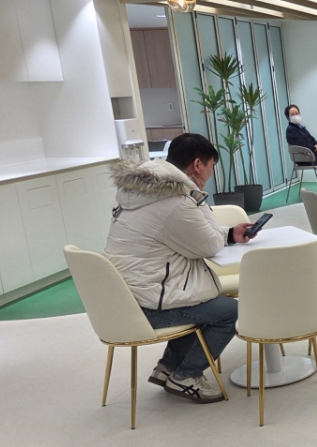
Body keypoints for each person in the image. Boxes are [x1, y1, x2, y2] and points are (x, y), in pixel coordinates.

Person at [104, 133, 253, 404]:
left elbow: (189, 236)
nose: (210, 174)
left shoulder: (142, 191)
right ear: (197, 165)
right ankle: (186, 376)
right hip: (148, 304)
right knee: (231, 312)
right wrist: (197, 197)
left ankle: (168, 367)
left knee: (202, 301)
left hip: (125, 298)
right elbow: (208, 245)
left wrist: (230, 233)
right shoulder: (175, 200)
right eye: (210, 167)